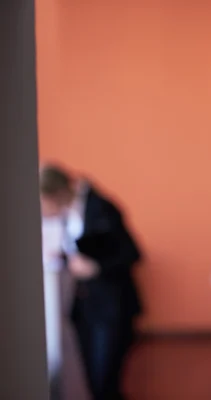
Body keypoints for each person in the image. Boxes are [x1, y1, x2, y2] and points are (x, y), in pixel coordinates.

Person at [39, 164, 142, 400]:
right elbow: (88, 248)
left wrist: (96, 268)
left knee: (104, 379)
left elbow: (131, 253)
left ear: (54, 195)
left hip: (111, 308)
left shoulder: (100, 208)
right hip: (87, 307)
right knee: (93, 381)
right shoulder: (70, 213)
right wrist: (65, 258)